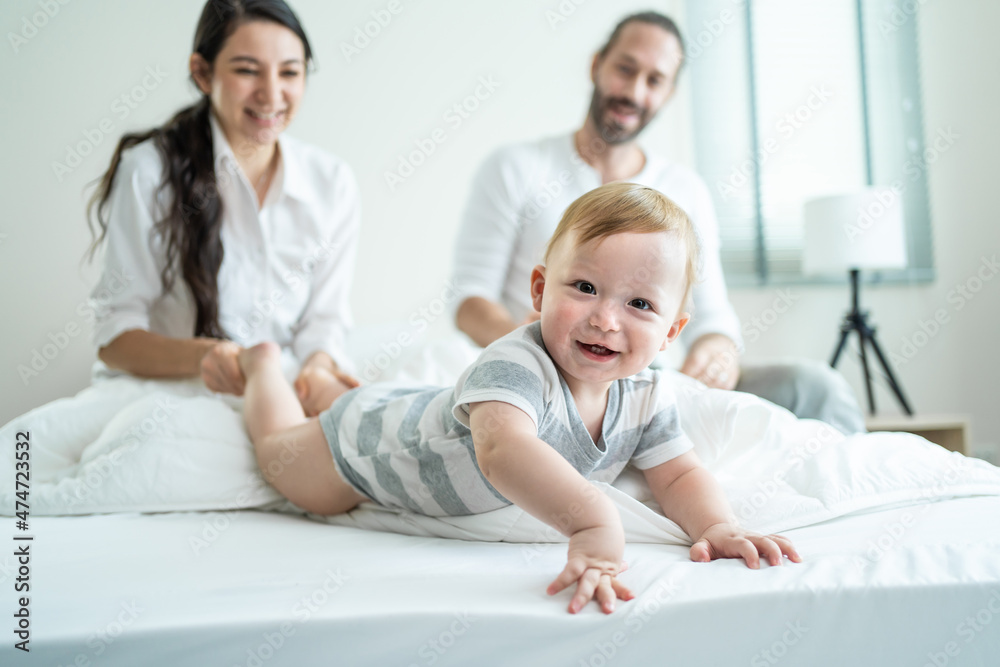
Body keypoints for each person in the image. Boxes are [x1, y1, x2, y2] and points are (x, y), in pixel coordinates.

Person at [237, 183, 801, 616]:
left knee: (403, 401)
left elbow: (678, 475)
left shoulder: (648, 392)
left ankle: (334, 383)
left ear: (671, 333)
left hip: (423, 407)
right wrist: (592, 523)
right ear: (539, 290)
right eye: (584, 288)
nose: (605, 319)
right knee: (279, 455)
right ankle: (263, 367)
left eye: (640, 305)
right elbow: (503, 450)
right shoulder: (516, 363)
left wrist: (717, 527)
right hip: (360, 448)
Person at [450, 11, 866, 435]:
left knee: (817, 388)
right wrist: (538, 344)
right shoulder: (516, 168)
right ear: (597, 66)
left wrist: (716, 351)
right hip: (548, 377)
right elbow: (469, 299)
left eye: (654, 80)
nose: (633, 91)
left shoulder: (686, 190)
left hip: (652, 385)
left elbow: (711, 316)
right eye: (625, 70)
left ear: (668, 93)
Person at [1, 0, 359, 480]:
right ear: (203, 73)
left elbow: (325, 321)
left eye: (290, 73)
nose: (272, 94)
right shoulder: (149, 172)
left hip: (281, 391)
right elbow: (115, 336)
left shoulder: (331, 182)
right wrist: (206, 358)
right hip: (176, 398)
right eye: (248, 70)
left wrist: (318, 366)